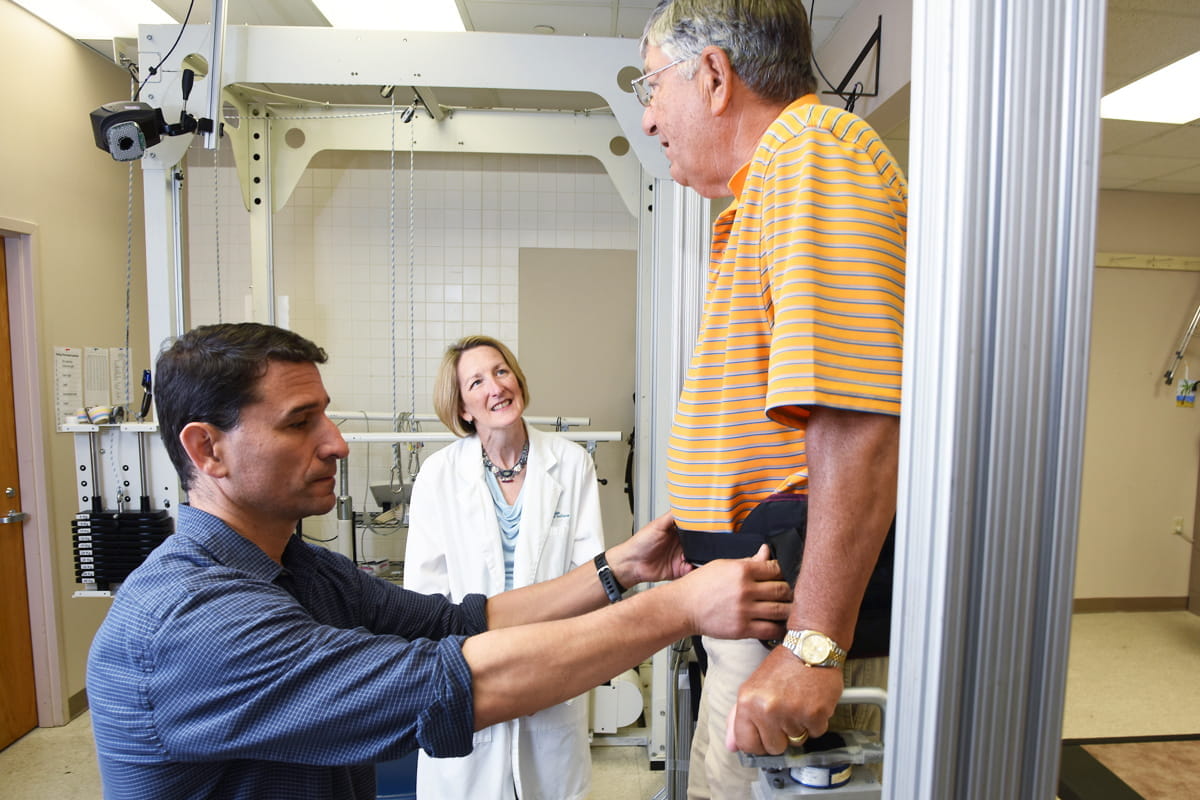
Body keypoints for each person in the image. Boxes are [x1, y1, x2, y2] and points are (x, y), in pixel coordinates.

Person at [86, 322, 793, 800]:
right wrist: (677, 609)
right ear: (207, 450)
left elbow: (461, 620)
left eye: (325, 415)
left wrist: (622, 570)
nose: (337, 443)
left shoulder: (304, 572)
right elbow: (441, 680)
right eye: (302, 423)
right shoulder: (190, 625)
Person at [634, 1, 908, 796]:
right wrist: (703, 528)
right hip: (754, 606)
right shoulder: (763, 192)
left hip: (796, 629)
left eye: (652, 86)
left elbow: (856, 419)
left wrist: (817, 644)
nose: (649, 119)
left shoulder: (812, 151)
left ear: (714, 76)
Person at [404, 335, 604, 800]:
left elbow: (590, 575)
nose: (495, 386)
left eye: (500, 371)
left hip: (551, 665)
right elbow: (424, 590)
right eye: (476, 381)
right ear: (463, 407)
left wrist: (546, 652)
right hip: (471, 672)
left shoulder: (571, 464)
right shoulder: (438, 475)